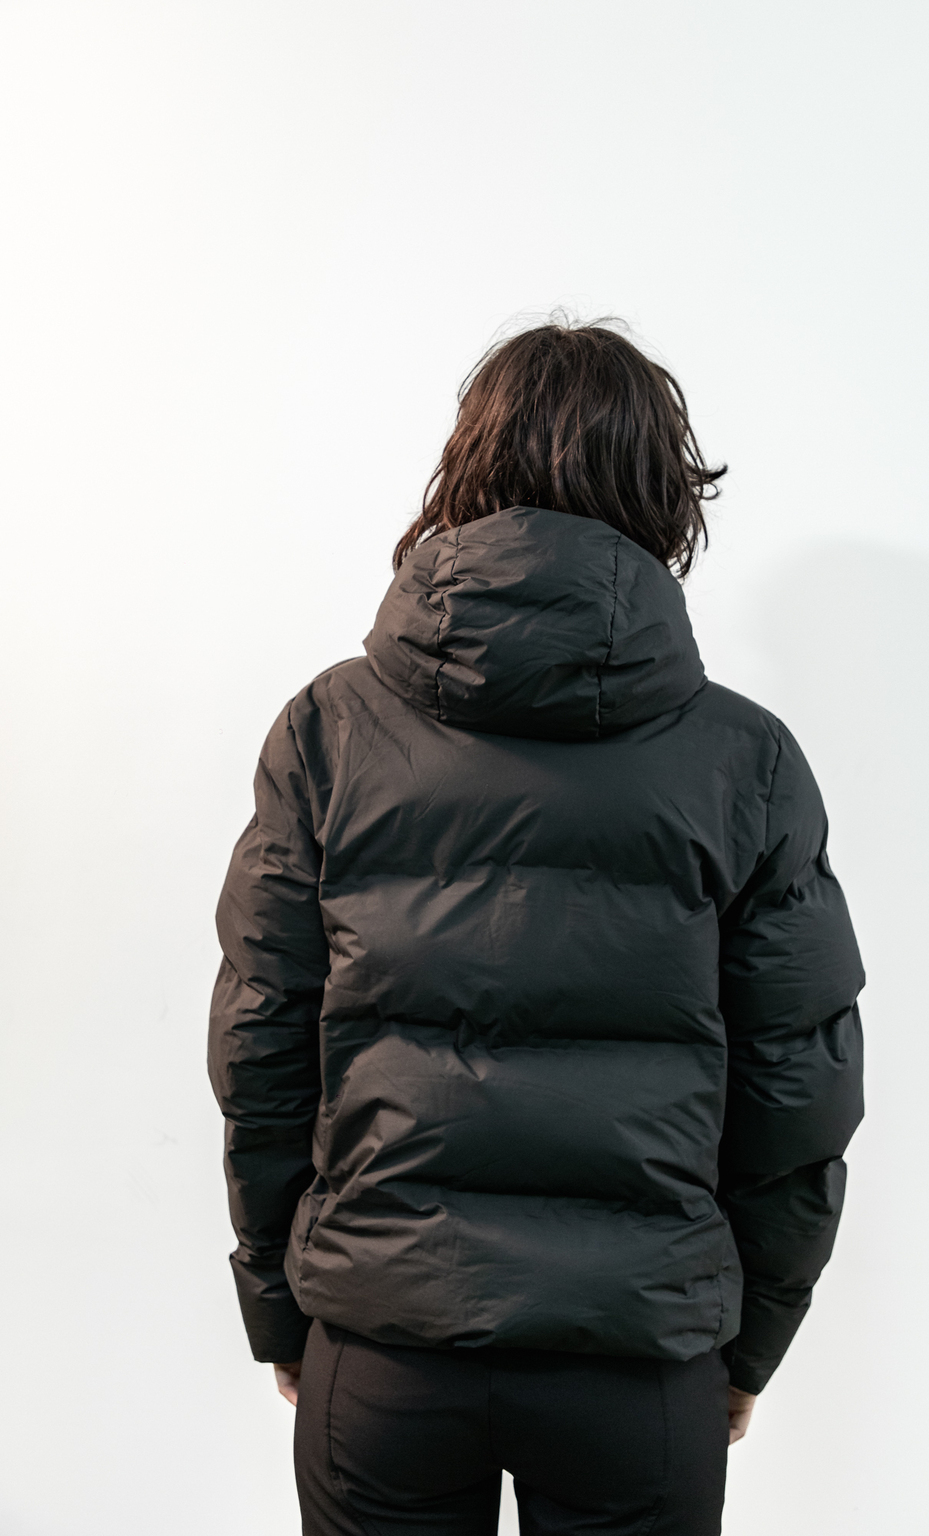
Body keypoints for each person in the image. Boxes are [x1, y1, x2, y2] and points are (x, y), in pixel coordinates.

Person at [208, 320, 864, 1536]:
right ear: (661, 494)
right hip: (638, 1363)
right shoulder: (747, 761)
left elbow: (261, 1045)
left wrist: (282, 1302)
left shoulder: (327, 733)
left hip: (385, 1349)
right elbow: (800, 1086)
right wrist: (746, 1340)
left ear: (465, 470)